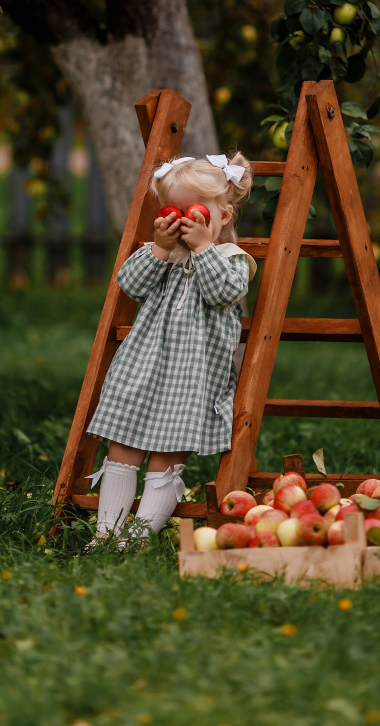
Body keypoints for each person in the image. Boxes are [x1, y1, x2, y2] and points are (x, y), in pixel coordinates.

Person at [84, 151, 256, 546]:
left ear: (224, 217)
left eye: (195, 211)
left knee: (166, 458)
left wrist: (202, 247)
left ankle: (139, 537)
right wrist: (159, 248)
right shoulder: (163, 255)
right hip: (142, 367)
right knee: (122, 446)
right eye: (173, 211)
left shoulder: (233, 260)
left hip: (191, 379)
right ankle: (107, 536)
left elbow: (222, 294)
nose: (183, 220)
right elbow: (130, 284)